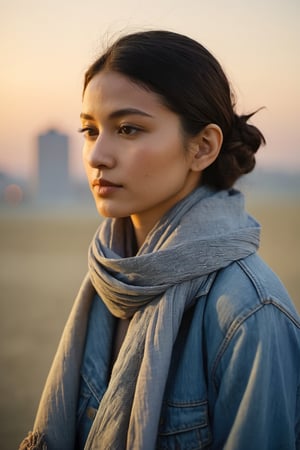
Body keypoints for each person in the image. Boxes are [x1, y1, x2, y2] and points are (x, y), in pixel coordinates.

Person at [20, 30, 300, 450]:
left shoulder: (248, 311)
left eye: (128, 129)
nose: (97, 156)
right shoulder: (114, 275)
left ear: (202, 147)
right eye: (90, 131)